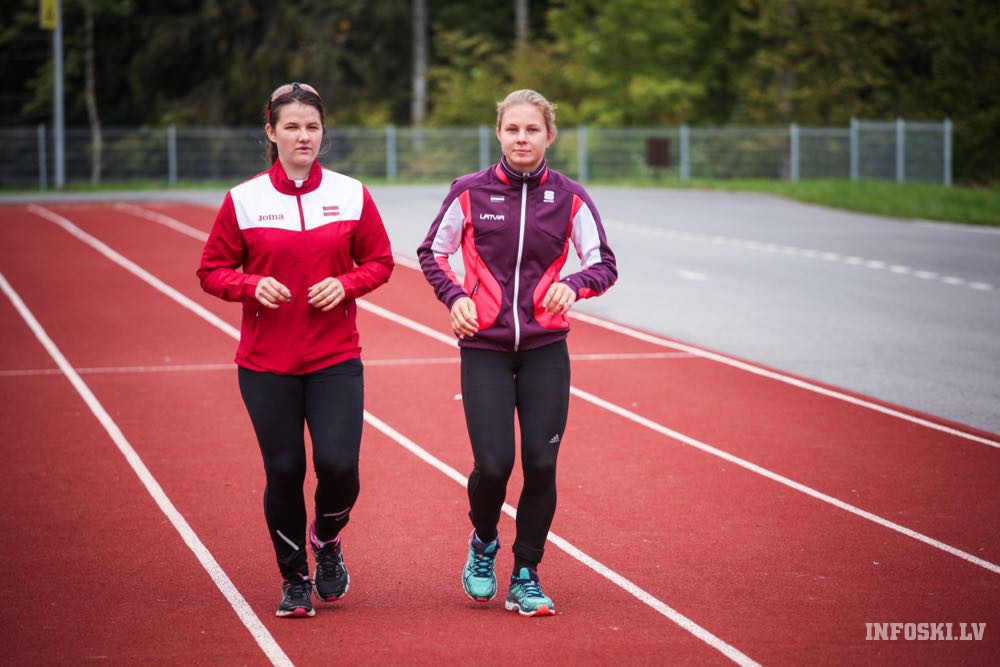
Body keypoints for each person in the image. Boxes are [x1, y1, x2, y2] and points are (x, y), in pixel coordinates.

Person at [417, 89, 617, 616]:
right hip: (484, 346)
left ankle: (526, 573)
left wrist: (574, 285)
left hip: (545, 347)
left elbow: (604, 264)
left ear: (549, 135)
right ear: (498, 134)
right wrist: (455, 296)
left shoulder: (570, 198)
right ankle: (484, 540)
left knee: (541, 463)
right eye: (512, 129)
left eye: (532, 130)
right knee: (494, 464)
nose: (521, 138)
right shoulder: (469, 192)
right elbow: (432, 252)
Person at [197, 82, 393, 618]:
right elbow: (211, 271)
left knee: (339, 466)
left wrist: (346, 284)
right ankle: (294, 578)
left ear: (323, 132)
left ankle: (326, 538)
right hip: (267, 365)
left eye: (312, 126)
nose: (303, 136)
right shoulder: (244, 199)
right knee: (284, 471)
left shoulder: (351, 193)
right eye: (291, 126)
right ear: (271, 132)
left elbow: (380, 261)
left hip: (335, 359)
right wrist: (250, 285)